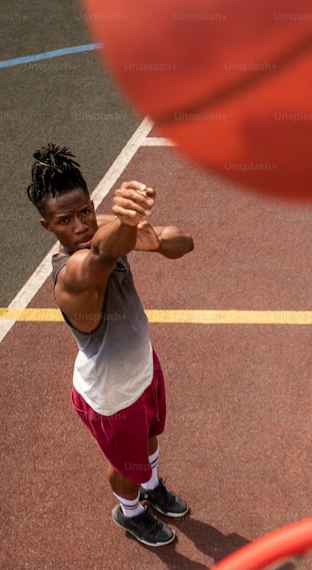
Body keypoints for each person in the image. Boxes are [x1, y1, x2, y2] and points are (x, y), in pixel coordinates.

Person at [27, 144, 194, 547]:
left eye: (84, 212)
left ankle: (151, 486)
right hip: (111, 396)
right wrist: (128, 225)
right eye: (64, 220)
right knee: (126, 465)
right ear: (46, 226)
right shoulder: (72, 277)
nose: (80, 226)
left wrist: (150, 238)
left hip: (142, 367)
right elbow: (102, 253)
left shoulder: (104, 230)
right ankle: (131, 512)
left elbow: (183, 243)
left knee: (151, 440)